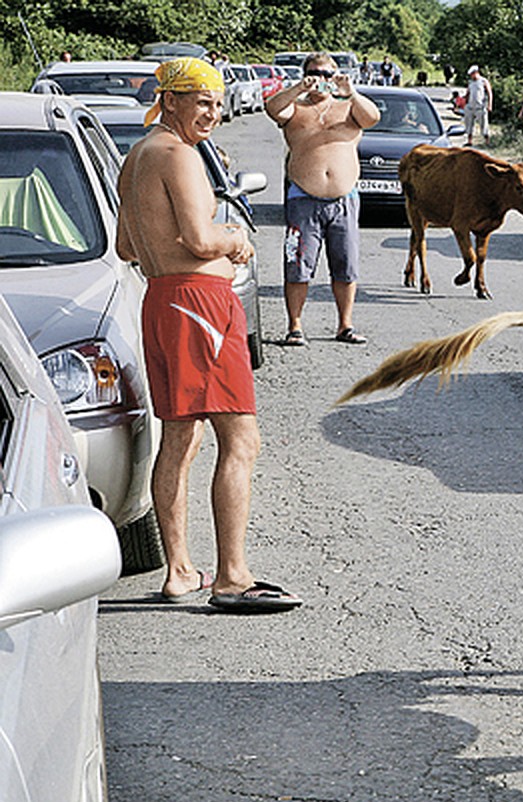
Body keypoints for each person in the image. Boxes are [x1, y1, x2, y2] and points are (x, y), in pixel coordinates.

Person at [116, 57, 300, 613]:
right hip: (199, 303)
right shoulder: (178, 153)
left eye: (218, 104)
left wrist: (191, 242)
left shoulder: (137, 155)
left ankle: (179, 572)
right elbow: (198, 239)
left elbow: (127, 247)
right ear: (170, 99)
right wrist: (233, 237)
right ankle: (231, 576)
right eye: (202, 101)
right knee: (241, 440)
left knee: (181, 438)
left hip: (162, 301)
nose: (214, 113)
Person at [266, 52, 380, 347]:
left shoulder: (348, 108)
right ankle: (295, 326)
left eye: (327, 74)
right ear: (306, 74)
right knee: (297, 264)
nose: (322, 80)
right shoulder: (296, 108)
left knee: (346, 265)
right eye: (316, 73)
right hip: (303, 198)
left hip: (344, 199)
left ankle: (345, 324)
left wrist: (350, 91)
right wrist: (299, 88)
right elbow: (272, 108)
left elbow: (373, 117)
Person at [463, 64, 492, 146]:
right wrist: (464, 103)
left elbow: (490, 93)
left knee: (484, 124)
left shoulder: (483, 81)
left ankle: (487, 141)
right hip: (470, 106)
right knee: (469, 124)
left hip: (480, 106)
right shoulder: (470, 83)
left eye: (472, 74)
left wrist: (490, 105)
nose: (471, 76)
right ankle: (469, 141)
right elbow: (468, 93)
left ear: (476, 72)